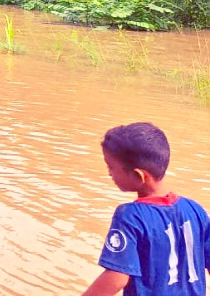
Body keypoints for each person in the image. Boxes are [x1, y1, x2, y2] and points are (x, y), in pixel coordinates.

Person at [82, 122, 210, 296]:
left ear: (139, 175)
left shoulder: (130, 216)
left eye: (111, 167)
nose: (109, 173)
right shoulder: (195, 210)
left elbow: (117, 276)